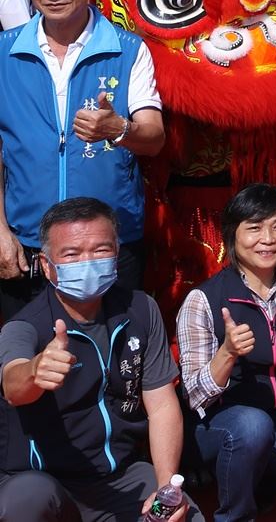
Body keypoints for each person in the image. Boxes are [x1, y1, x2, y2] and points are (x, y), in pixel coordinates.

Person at [0, 0, 165, 319]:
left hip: (109, 244)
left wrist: (118, 129)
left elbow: (154, 136)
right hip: (28, 243)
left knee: (114, 354)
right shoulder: (5, 53)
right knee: (25, 360)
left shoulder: (128, 50)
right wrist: (1, 232)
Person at [0, 197, 197, 522]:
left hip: (120, 477)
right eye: (72, 254)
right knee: (23, 502)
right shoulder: (25, 326)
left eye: (101, 250)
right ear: (48, 266)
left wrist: (165, 488)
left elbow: (161, 406)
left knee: (183, 516)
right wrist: (35, 371)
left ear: (117, 255)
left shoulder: (141, 310)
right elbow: (12, 385)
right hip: (45, 482)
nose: (88, 262)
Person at [177, 185, 276, 522]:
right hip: (219, 422)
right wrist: (227, 353)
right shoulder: (203, 299)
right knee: (252, 426)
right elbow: (193, 396)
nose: (267, 238)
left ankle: (255, 477)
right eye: (253, 227)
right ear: (231, 235)